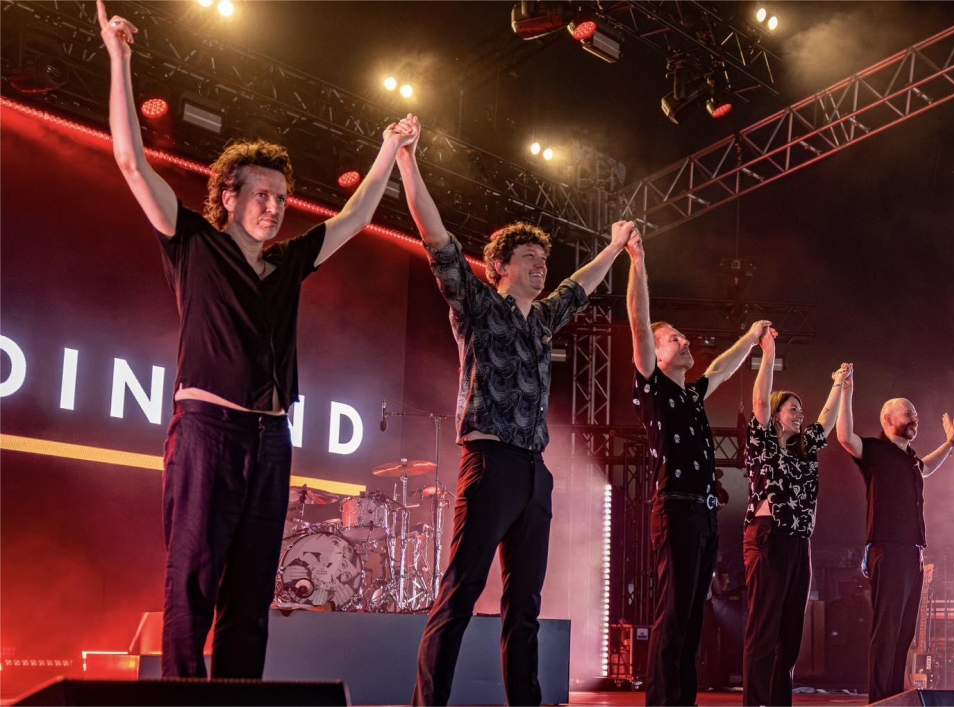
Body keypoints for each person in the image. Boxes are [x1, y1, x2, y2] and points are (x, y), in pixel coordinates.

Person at [97, 1, 415, 678]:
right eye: (261, 194)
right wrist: (120, 61)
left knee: (249, 598)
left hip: (272, 439)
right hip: (208, 428)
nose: (274, 206)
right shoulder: (194, 243)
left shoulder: (291, 262)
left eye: (281, 196)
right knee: (193, 584)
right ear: (229, 196)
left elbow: (357, 216)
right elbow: (129, 161)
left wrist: (390, 145)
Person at [392, 113, 638, 706]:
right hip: (489, 462)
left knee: (525, 602)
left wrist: (614, 246)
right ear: (499, 265)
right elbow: (436, 238)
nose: (539, 264)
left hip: (534, 472)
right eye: (528, 255)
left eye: (542, 257)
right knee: (461, 590)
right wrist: (406, 160)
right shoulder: (476, 304)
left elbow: (580, 284)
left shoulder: (543, 319)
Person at [625, 232, 771, 706]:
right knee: (673, 615)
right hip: (676, 510)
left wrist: (750, 337)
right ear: (657, 352)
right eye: (675, 339)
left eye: (684, 337)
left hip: (704, 515)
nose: (684, 341)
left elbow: (724, 368)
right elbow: (640, 323)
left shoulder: (690, 393)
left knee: (691, 618)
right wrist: (638, 262)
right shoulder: (654, 388)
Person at [836, 365, 954, 703]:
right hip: (887, 550)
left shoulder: (910, 460)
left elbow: (927, 467)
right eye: (909, 413)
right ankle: (879, 698)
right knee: (887, 630)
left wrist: (949, 443)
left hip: (913, 552)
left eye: (916, 414)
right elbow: (845, 437)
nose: (915, 418)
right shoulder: (875, 452)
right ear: (889, 419)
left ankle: (892, 697)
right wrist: (845, 390)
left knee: (904, 632)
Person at [741, 326, 849, 705]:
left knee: (791, 632)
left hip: (799, 541)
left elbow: (827, 419)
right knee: (764, 629)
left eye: (801, 409)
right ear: (776, 414)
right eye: (792, 409)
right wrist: (767, 354)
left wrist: (838, 383)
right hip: (768, 535)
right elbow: (758, 400)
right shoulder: (764, 443)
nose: (800, 415)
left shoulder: (805, 449)